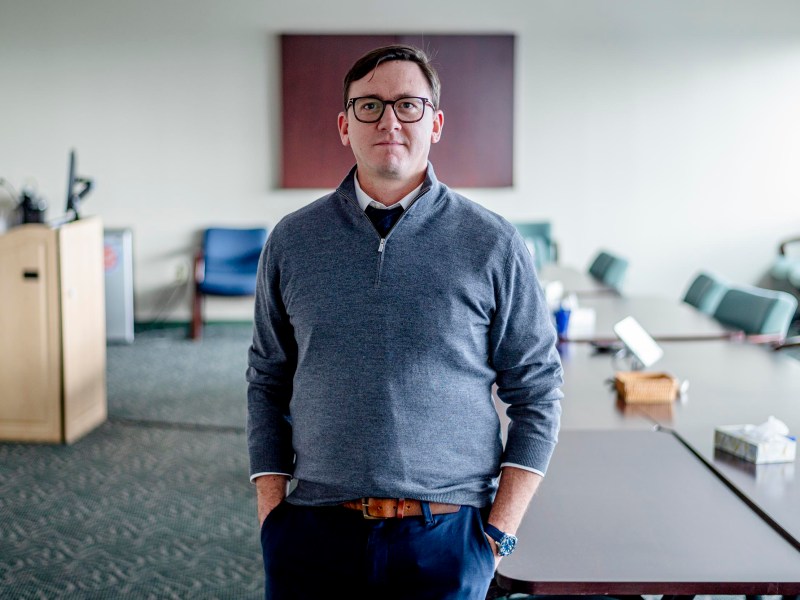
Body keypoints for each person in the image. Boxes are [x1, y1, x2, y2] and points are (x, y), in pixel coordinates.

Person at [247, 44, 563, 600]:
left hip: (445, 536)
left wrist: (498, 535)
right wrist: (272, 515)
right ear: (345, 125)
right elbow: (267, 381)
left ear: (435, 123)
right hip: (313, 530)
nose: (389, 119)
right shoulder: (293, 241)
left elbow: (537, 391)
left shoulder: (492, 243)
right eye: (369, 106)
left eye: (408, 105)